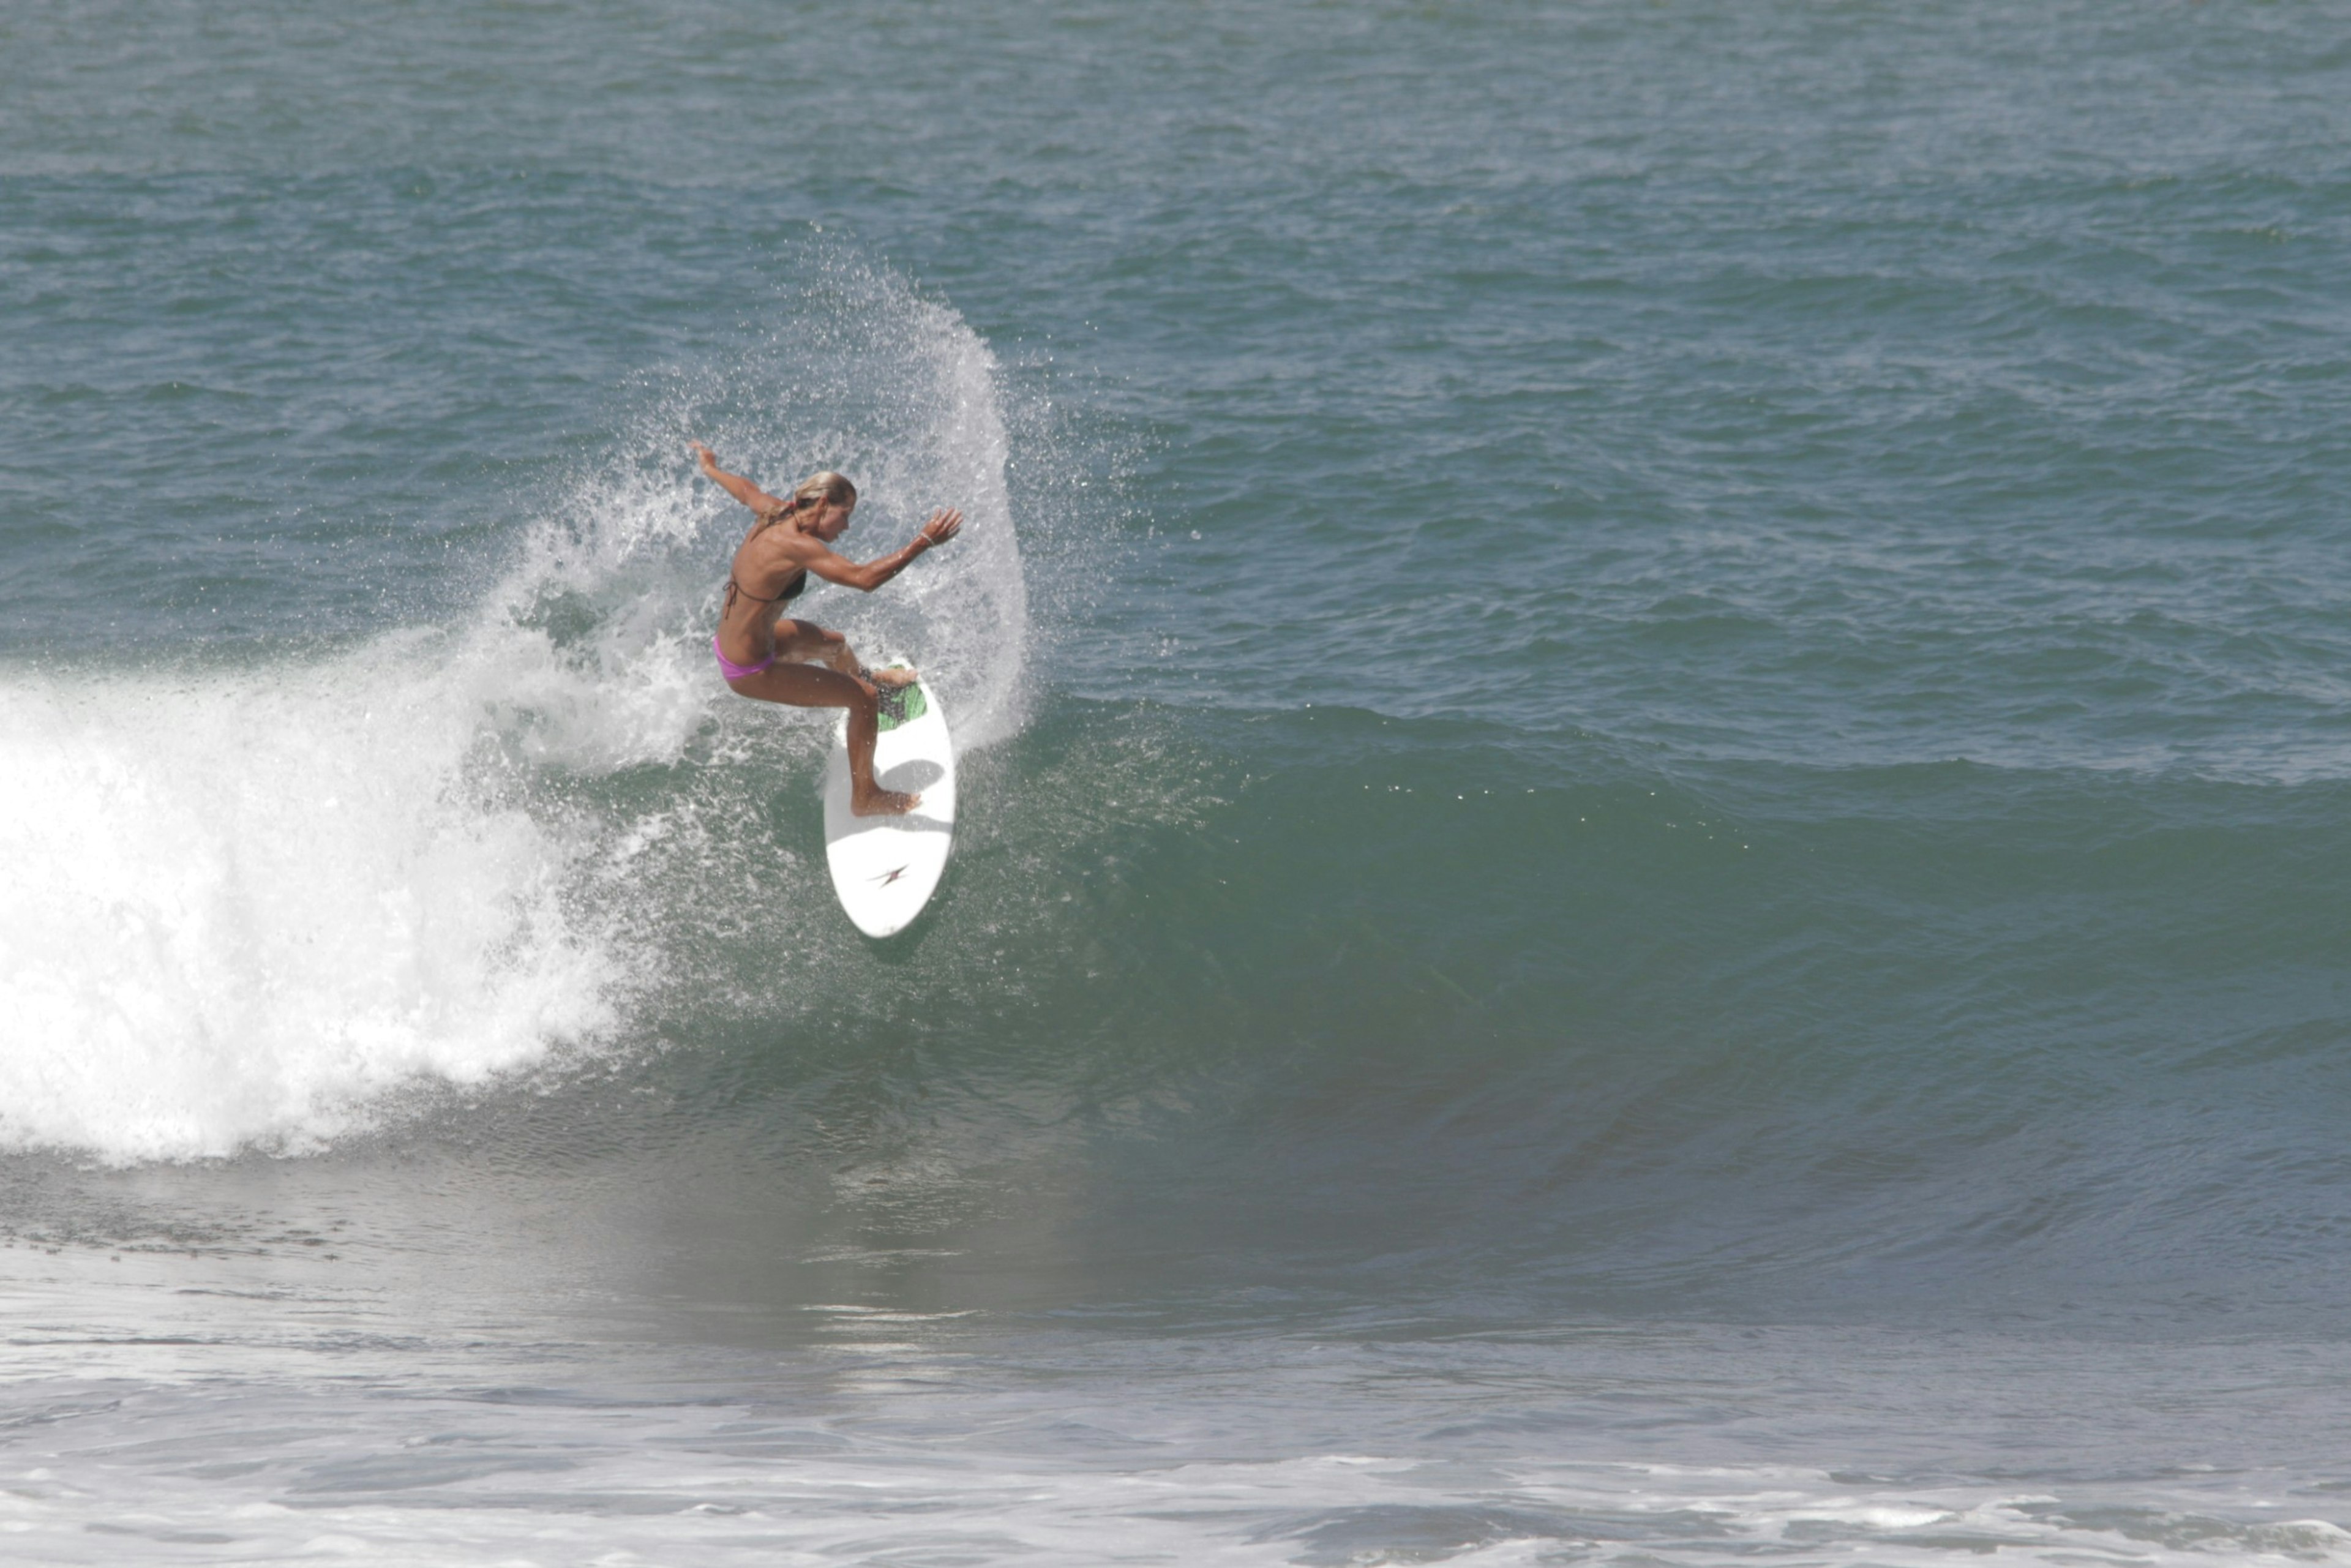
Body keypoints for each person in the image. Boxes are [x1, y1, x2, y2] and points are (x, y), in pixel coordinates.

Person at [693, 441, 962, 816]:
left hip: (746, 640)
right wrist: (924, 542)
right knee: (864, 698)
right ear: (821, 506)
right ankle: (865, 797)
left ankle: (871, 676)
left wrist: (711, 469)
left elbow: (746, 492)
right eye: (845, 514)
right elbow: (864, 579)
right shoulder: (796, 545)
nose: (848, 525)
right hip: (750, 668)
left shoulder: (777, 513)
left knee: (834, 645)